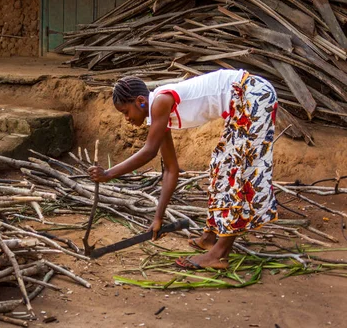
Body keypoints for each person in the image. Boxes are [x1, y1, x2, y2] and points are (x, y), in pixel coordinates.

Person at [88, 70, 278, 269]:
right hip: (242, 100)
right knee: (221, 167)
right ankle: (210, 237)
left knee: (237, 172)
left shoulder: (160, 101)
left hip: (253, 94)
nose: (126, 118)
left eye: (126, 111)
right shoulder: (159, 114)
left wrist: (109, 174)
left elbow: (149, 151)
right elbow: (171, 170)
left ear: (141, 101)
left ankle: (219, 253)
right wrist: (158, 218)